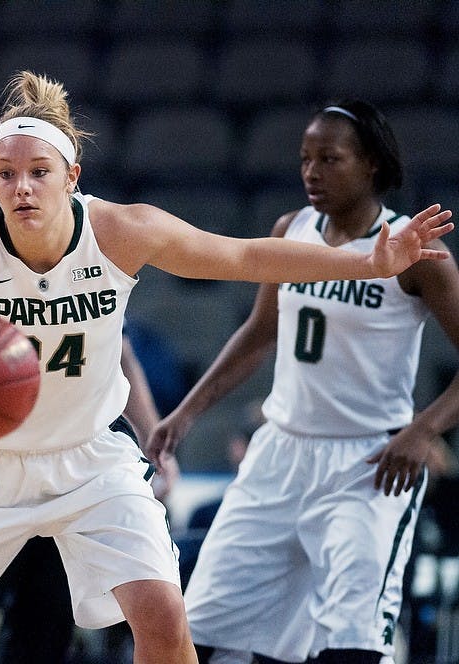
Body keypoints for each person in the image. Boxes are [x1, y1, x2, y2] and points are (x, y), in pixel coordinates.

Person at [0, 72, 452, 664]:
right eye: (5, 174)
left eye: (38, 172)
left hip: (90, 462)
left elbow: (245, 258)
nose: (21, 187)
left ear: (72, 174)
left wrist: (368, 262)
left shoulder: (120, 231)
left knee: (166, 621)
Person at [146, 99, 459, 664]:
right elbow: (259, 332)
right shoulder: (293, 229)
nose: (311, 172)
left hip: (367, 465)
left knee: (351, 646)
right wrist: (186, 411)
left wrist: (423, 430)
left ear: (371, 165)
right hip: (279, 454)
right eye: (305, 159)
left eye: (330, 159)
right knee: (194, 635)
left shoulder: (416, 254)